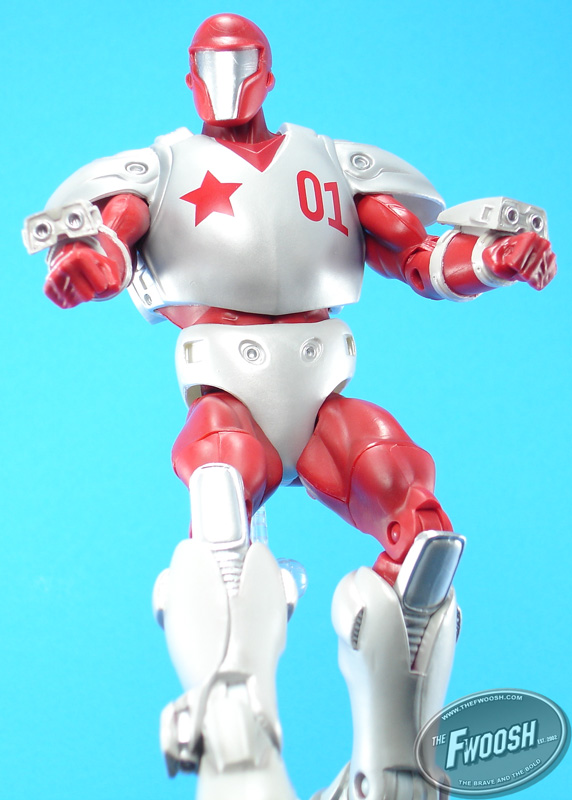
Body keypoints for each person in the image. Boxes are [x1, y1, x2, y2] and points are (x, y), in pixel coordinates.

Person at [23, 13, 556, 800]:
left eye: (242, 64)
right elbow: (111, 237)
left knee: (415, 514)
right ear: (190, 78)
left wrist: (494, 257)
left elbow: (419, 255)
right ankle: (231, 717)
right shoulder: (160, 168)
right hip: (228, 391)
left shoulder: (331, 165)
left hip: (320, 393)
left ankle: (398, 756)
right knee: (218, 491)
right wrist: (88, 264)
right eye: (212, 66)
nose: (227, 83)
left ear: (268, 72)